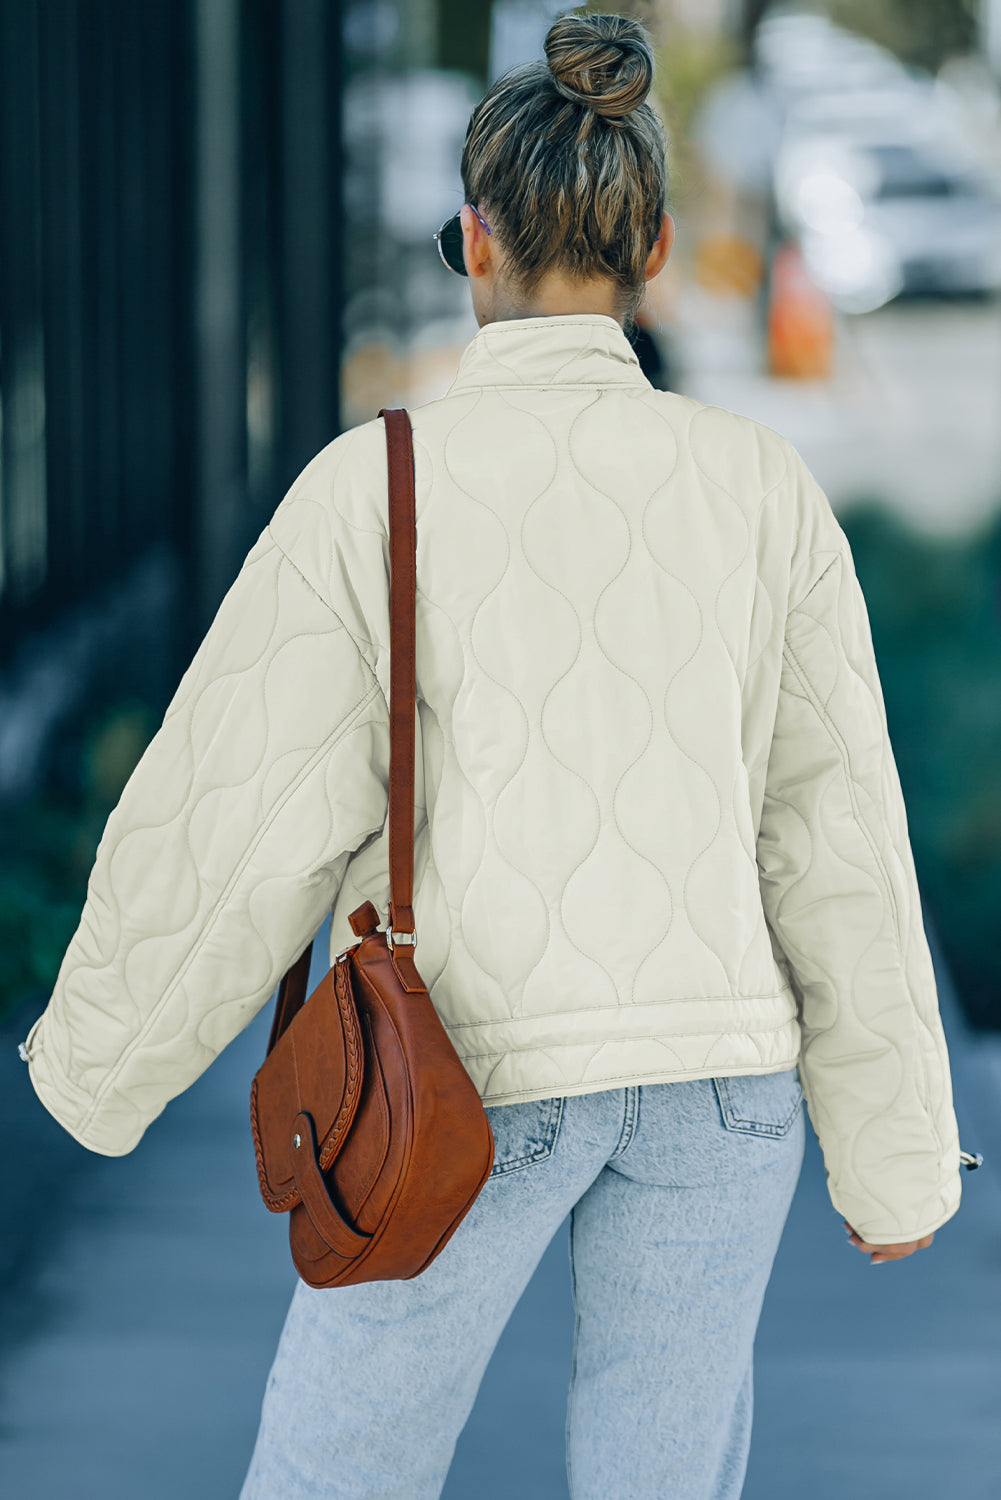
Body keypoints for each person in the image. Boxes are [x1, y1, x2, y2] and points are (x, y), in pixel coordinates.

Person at [20, 13, 967, 1499]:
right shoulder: (759, 489)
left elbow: (235, 804)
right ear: (652, 240)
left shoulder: (373, 485)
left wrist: (95, 1071)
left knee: (336, 1474)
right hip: (721, 1082)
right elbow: (833, 832)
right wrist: (897, 1153)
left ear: (473, 241)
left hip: (454, 1071)